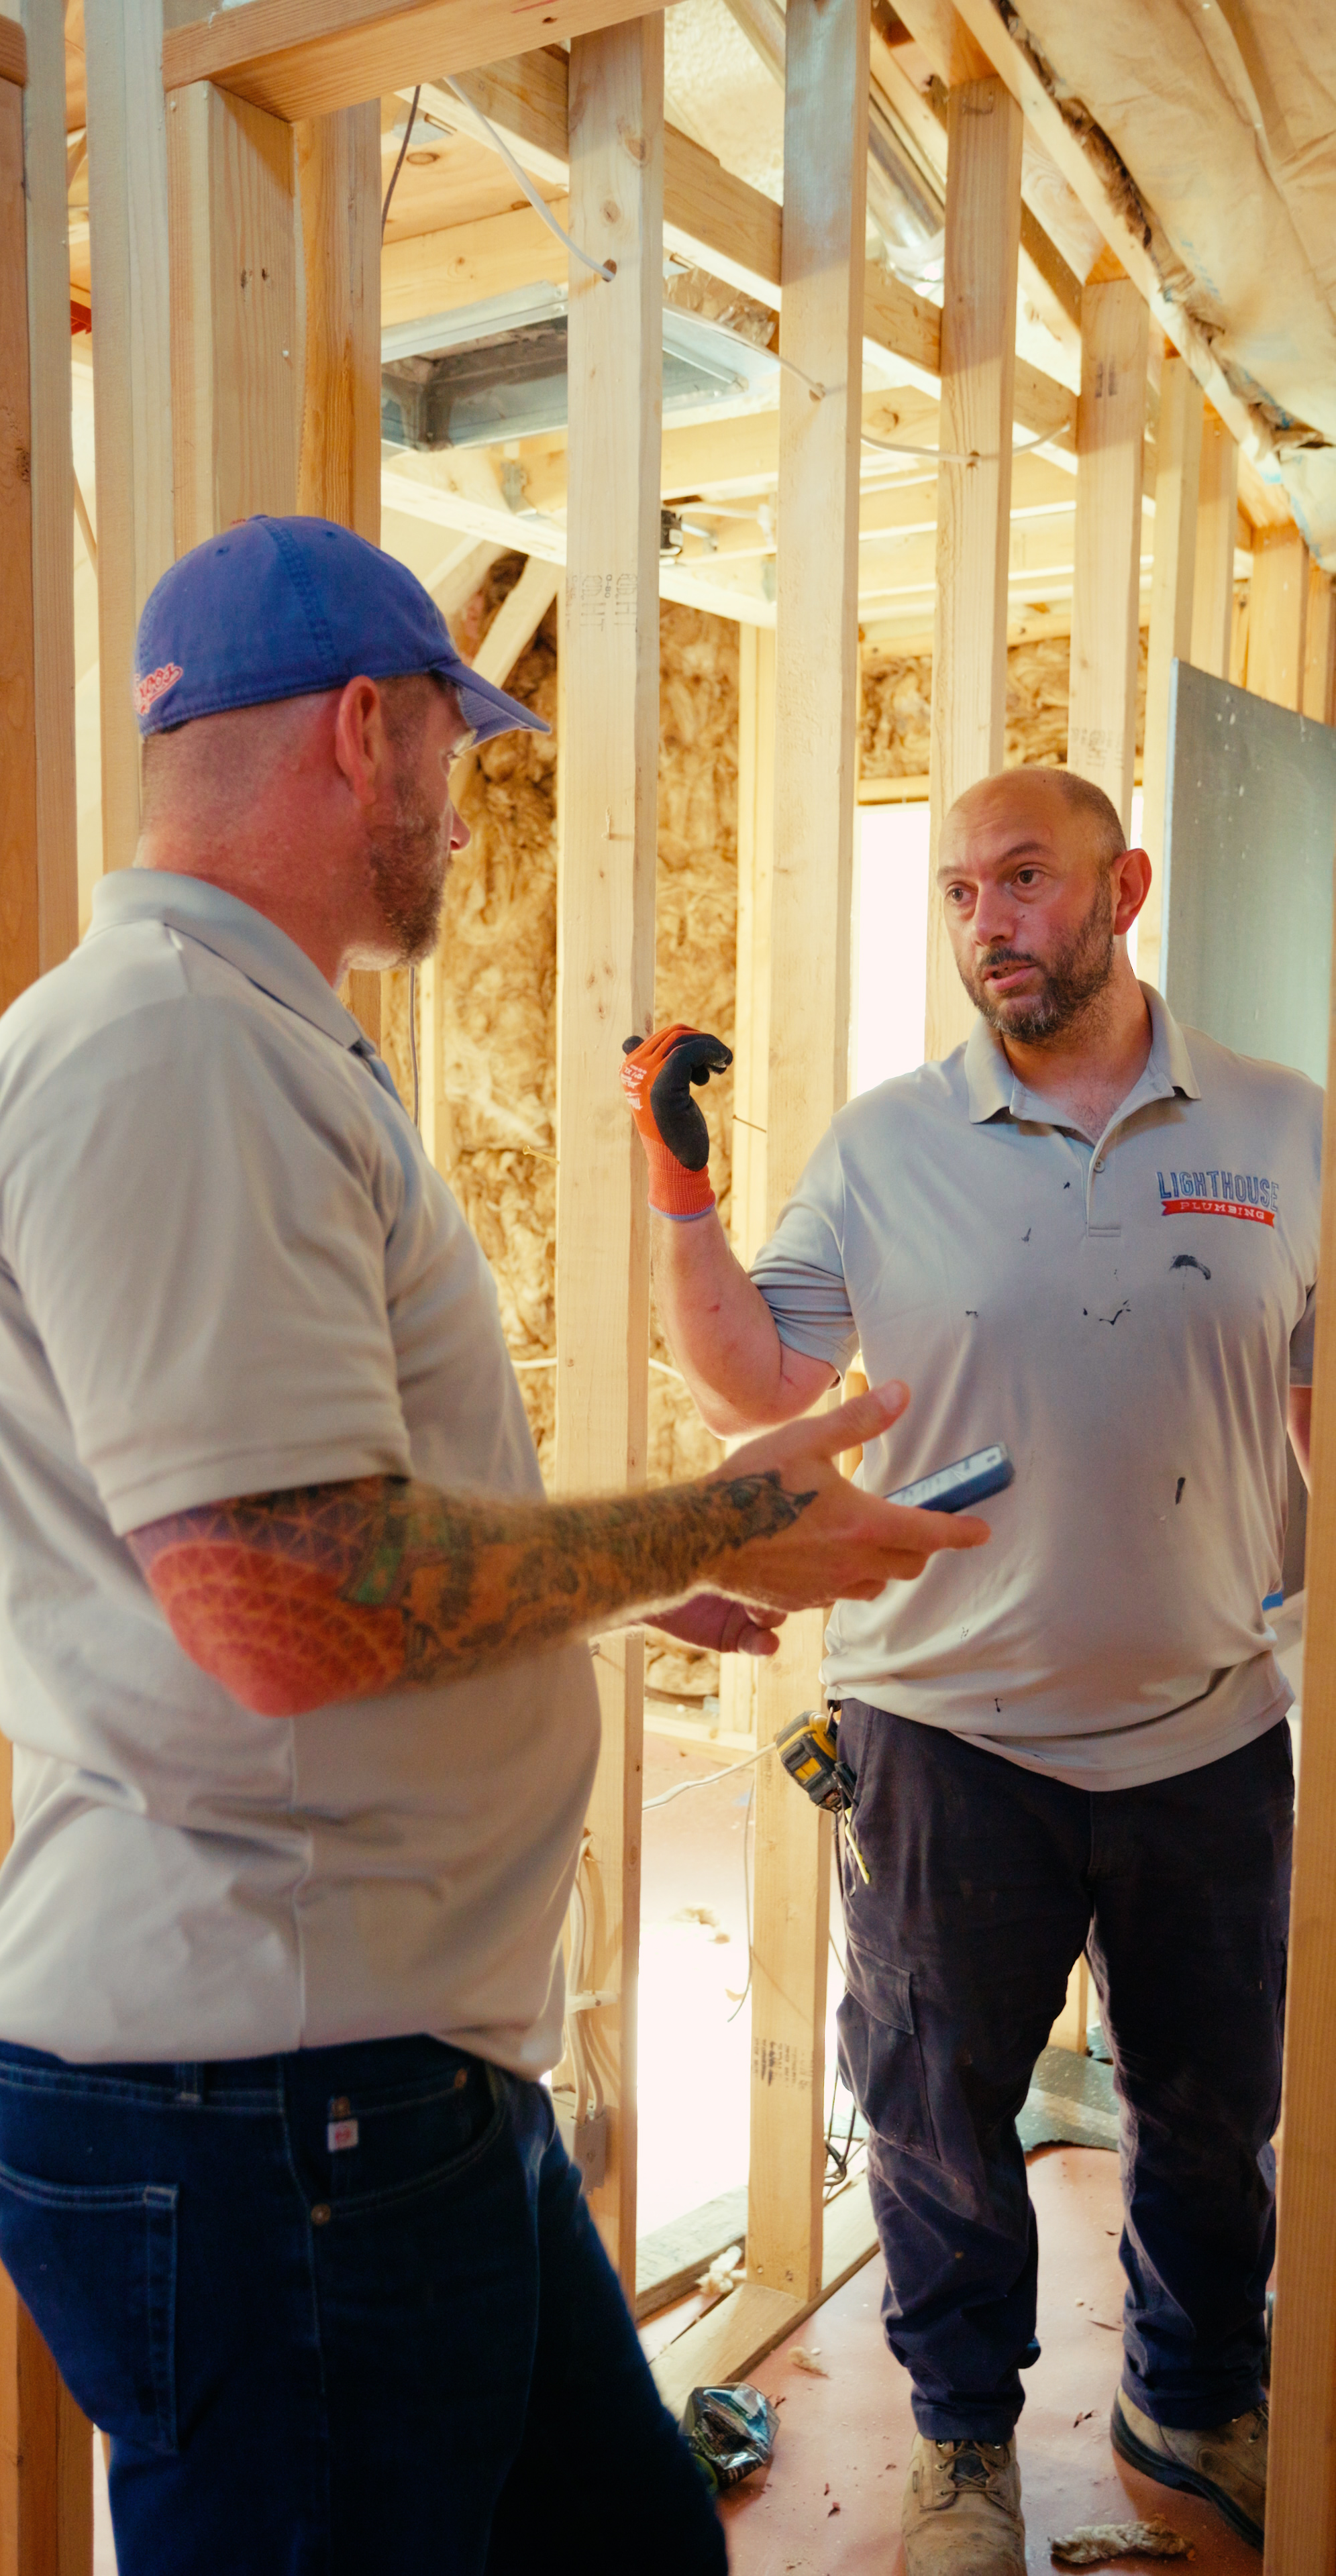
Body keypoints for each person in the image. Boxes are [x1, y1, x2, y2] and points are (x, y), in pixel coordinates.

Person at [0, 517, 988, 2576]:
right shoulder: (180, 1054)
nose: (463, 803)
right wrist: (721, 1518)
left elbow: (327, 1527)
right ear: (360, 732)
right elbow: (282, 1601)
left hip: (367, 2074)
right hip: (271, 2105)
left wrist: (643, 1566)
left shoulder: (240, 1038)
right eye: (452, 744)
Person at [625, 764, 1317, 2575]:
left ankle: (1192, 2398)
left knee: (1214, 2111)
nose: (985, 920)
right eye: (956, 890)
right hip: (943, 1733)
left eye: (1023, 878)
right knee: (935, 2121)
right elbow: (762, 1385)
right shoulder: (884, 1148)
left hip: (1210, 1728)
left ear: (1125, 888)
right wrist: (682, 1198)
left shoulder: (1282, 1127)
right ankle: (959, 2451)